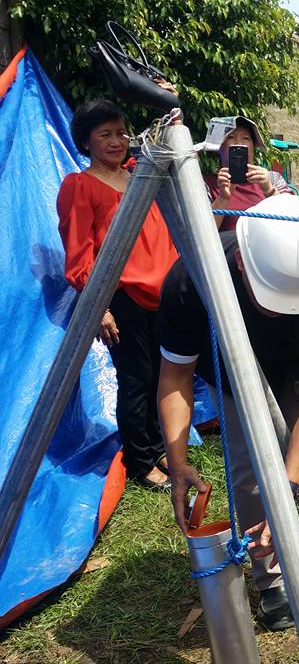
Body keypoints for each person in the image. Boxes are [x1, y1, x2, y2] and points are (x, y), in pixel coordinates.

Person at [158, 195, 299, 631]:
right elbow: (175, 377)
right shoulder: (193, 281)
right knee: (249, 469)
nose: (283, 310)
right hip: (231, 371)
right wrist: (177, 459)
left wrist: (289, 487)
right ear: (244, 263)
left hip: (295, 367)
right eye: (275, 299)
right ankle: (271, 581)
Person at [57, 99, 180, 491]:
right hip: (123, 296)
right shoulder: (80, 185)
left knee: (164, 374)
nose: (116, 141)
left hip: (164, 291)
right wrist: (100, 306)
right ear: (87, 141)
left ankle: (157, 445)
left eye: (121, 132)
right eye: (104, 134)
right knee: (136, 377)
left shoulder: (141, 175)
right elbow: (79, 254)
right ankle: (141, 461)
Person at [201, 116, 291, 231]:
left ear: (253, 147)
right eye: (231, 137)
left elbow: (292, 223)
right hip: (228, 246)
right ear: (220, 147)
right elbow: (204, 234)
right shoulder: (207, 184)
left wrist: (269, 190)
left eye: (246, 138)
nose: (239, 143)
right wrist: (222, 199)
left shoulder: (272, 178)